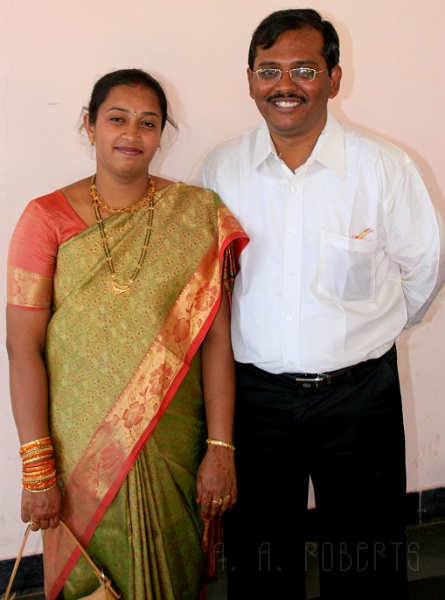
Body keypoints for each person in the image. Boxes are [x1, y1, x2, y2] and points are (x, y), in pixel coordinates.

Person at [191, 8, 445, 600]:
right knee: (259, 562)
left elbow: (423, 272)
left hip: (360, 398)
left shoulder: (385, 169)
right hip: (255, 402)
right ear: (250, 79)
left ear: (334, 77)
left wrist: (362, 336)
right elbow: (211, 288)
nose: (285, 86)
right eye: (268, 70)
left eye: (304, 69)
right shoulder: (220, 170)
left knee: (367, 561)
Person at [6, 68, 248, 600]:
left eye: (148, 123)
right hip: (80, 448)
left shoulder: (197, 214)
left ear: (162, 134)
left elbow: (216, 341)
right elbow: (22, 348)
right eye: (117, 119)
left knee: (176, 572)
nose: (131, 134)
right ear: (89, 125)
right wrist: (37, 464)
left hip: (173, 438)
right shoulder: (43, 219)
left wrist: (221, 447)